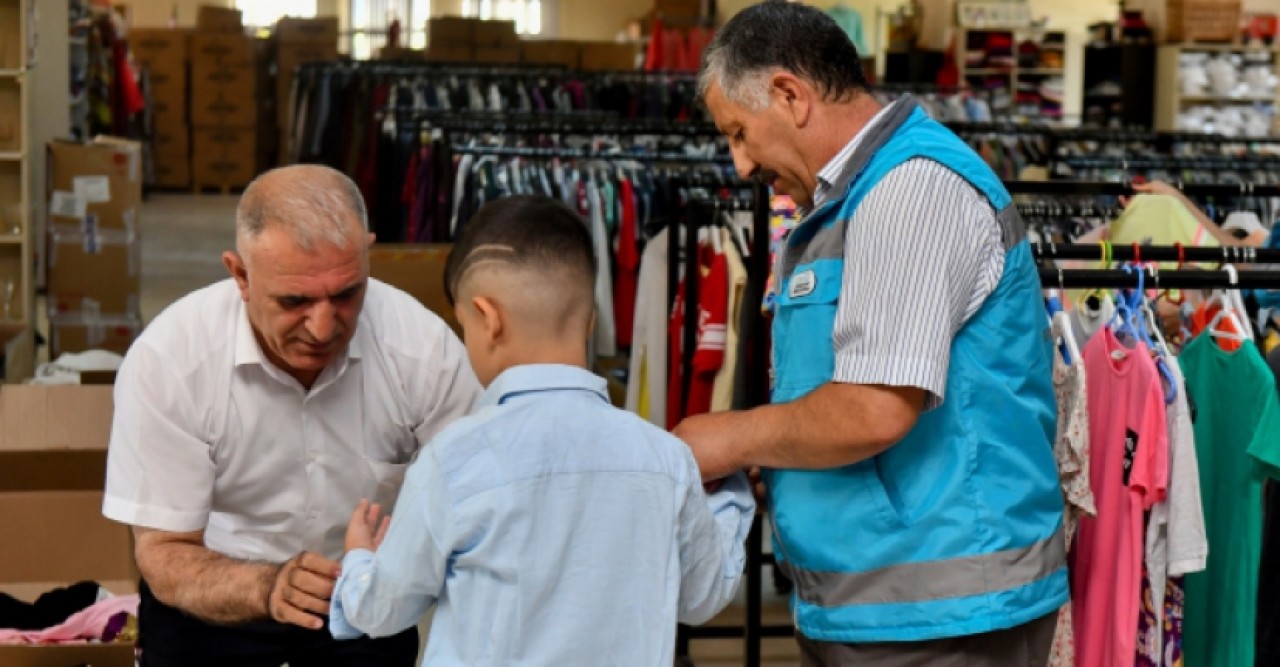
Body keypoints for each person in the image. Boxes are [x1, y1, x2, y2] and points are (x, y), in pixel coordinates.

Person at [679, 3, 1067, 664]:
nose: (739, 163)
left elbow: (874, 408)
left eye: (740, 133)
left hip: (939, 614)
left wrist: (731, 435)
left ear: (789, 95)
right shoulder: (848, 204)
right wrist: (786, 455)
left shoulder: (909, 191)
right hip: (885, 602)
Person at [327, 195, 756, 664]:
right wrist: (731, 493)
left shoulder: (454, 461)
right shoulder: (664, 459)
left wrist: (359, 560)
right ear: (590, 322)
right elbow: (701, 595)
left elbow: (384, 609)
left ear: (488, 320)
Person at [102, 165, 481, 667]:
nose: (323, 328)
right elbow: (164, 554)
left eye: (346, 294)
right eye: (294, 301)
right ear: (240, 275)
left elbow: (476, 516)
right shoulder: (171, 362)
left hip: (364, 599)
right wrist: (270, 587)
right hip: (215, 599)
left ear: (367, 252)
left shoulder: (425, 352)